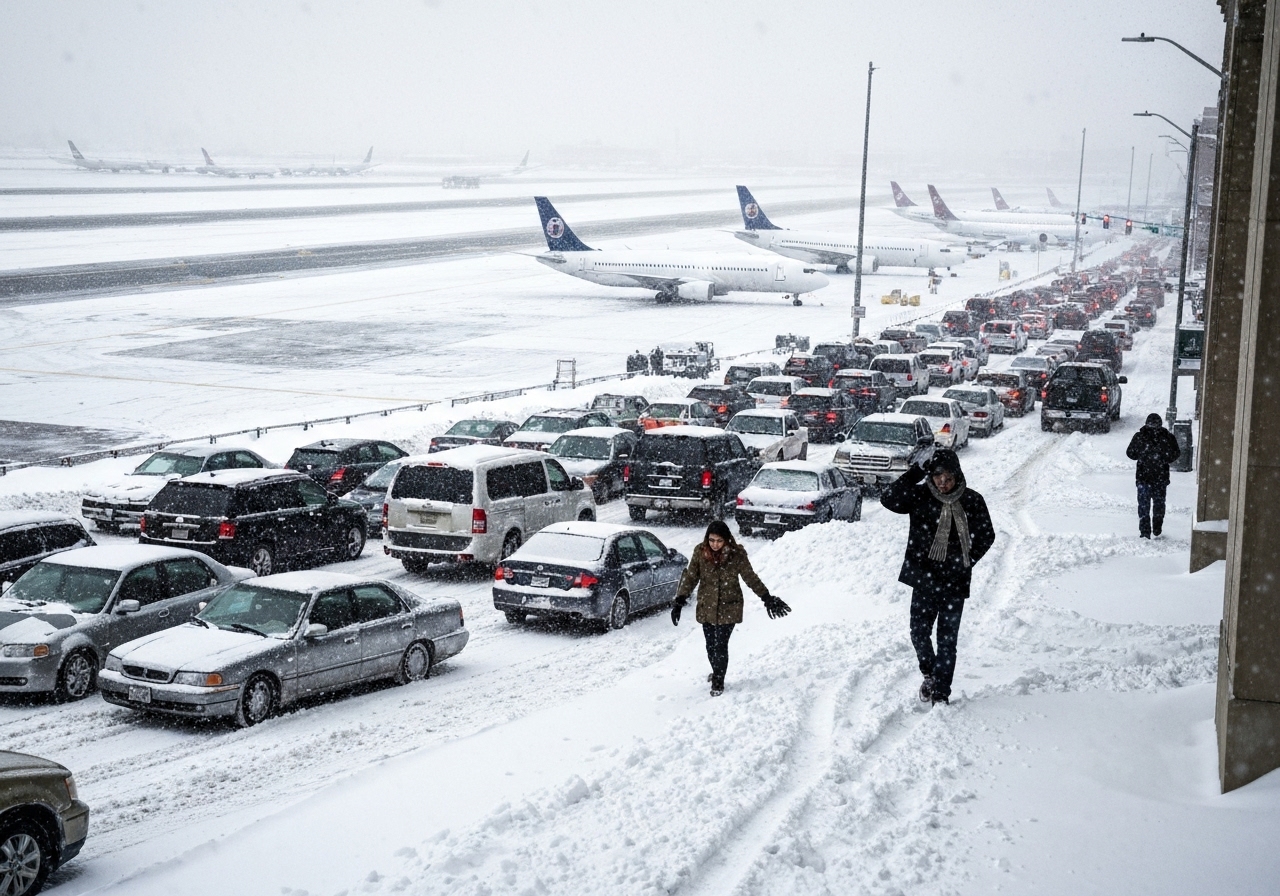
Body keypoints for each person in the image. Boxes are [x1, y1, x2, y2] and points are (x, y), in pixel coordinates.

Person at [881, 449, 995, 705]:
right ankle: (930, 673)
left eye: (948, 478)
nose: (942, 483)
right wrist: (916, 472)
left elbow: (987, 535)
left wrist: (966, 560)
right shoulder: (921, 496)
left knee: (947, 640)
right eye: (937, 477)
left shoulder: (972, 500)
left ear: (958, 475)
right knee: (919, 633)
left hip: (955, 581)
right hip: (924, 579)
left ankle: (942, 691)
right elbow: (888, 499)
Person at [671, 521, 789, 696]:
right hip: (707, 606)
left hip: (729, 606)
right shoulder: (700, 552)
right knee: (710, 646)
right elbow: (691, 577)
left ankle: (718, 680)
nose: (715, 544)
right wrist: (680, 600)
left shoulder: (737, 554)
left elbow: (750, 577)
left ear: (727, 540)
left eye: (719, 541)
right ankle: (717, 669)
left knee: (720, 645)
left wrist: (767, 597)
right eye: (712, 540)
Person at [1125, 413, 1181, 538]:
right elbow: (1176, 453)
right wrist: (1163, 458)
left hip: (1145, 477)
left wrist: (1143, 454)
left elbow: (1130, 453)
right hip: (1158, 477)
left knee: (1145, 506)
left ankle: (1147, 531)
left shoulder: (1141, 436)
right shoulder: (1166, 437)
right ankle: (1156, 528)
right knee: (1158, 505)